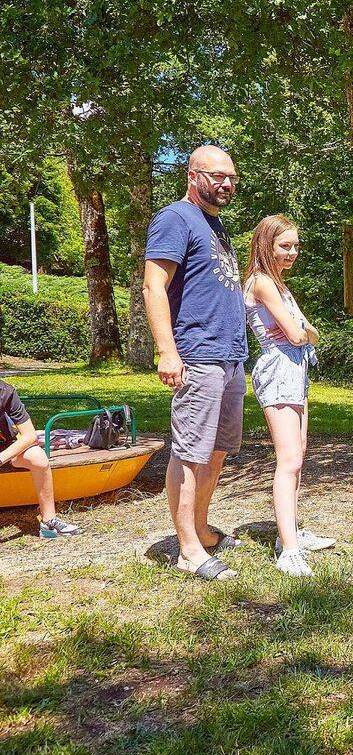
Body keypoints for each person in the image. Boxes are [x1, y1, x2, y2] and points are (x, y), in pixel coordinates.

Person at [143, 145, 247, 581]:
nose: (225, 184)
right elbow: (153, 286)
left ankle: (202, 530)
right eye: (216, 175)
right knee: (190, 452)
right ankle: (187, 549)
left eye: (231, 178)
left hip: (230, 355)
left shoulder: (216, 225)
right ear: (191, 175)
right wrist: (167, 350)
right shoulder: (175, 218)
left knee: (218, 450)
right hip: (198, 354)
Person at [244, 214, 334, 577]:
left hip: (296, 370)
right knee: (289, 459)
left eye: (296, 245)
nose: (293, 252)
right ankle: (289, 552)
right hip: (278, 370)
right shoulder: (262, 282)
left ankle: (289, 534)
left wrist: (303, 331)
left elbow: (308, 333)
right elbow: (299, 335)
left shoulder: (280, 285)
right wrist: (302, 331)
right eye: (285, 245)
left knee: (299, 455)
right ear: (266, 244)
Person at [0, 379, 82, 538]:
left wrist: (1, 458)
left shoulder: (5, 391)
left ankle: (49, 522)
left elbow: (29, 436)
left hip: (6, 446)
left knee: (38, 457)